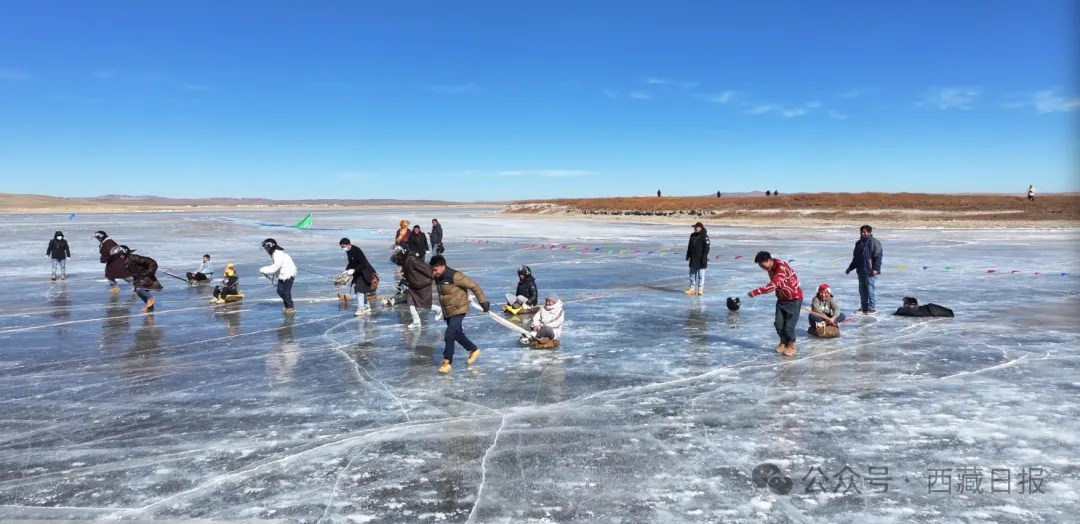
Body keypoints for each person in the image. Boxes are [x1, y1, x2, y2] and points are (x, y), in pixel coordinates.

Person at [431, 255, 489, 373]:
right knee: (457, 334)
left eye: (435, 269)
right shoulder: (437, 276)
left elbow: (474, 286)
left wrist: (483, 302)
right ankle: (473, 350)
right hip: (448, 310)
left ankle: (447, 362)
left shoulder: (455, 276)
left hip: (459, 308)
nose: (434, 272)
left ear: (442, 266)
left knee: (449, 334)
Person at [748, 251, 803, 356]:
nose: (762, 268)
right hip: (782, 299)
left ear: (769, 260)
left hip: (794, 299)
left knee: (789, 327)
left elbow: (774, 285)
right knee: (778, 324)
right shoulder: (770, 268)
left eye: (762, 265)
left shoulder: (781, 268)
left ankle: (791, 345)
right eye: (760, 265)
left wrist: (755, 292)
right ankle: (784, 341)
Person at [391, 245, 437, 328]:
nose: (396, 258)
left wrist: (433, 276)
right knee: (410, 302)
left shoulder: (412, 260)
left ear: (402, 253)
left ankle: (438, 309)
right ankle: (416, 321)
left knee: (424, 305)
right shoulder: (405, 261)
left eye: (397, 255)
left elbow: (425, 268)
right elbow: (408, 274)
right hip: (413, 284)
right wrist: (403, 283)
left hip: (422, 284)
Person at [845, 225, 883, 315]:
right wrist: (850, 268)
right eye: (862, 232)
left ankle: (871, 307)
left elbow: (878, 256)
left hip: (870, 271)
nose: (863, 234)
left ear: (869, 232)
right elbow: (856, 258)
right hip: (861, 270)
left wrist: (875, 268)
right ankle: (864, 306)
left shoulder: (874, 242)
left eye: (865, 232)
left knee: (870, 290)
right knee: (862, 290)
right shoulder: (858, 243)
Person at [113, 245, 163, 312]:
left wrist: (149, 272)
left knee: (140, 289)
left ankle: (150, 298)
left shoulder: (134, 258)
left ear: (125, 252)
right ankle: (149, 307)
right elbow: (134, 272)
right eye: (119, 255)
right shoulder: (126, 260)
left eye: (120, 255)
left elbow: (151, 262)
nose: (120, 257)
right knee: (137, 291)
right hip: (139, 277)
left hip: (146, 276)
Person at [339, 238, 378, 316]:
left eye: (344, 246)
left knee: (360, 291)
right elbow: (351, 263)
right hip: (358, 273)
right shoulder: (348, 251)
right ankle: (366, 307)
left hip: (365, 272)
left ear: (349, 245)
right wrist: (346, 270)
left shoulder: (356, 251)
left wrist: (354, 270)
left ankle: (361, 309)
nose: (343, 248)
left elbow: (363, 263)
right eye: (342, 247)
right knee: (360, 291)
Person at [259, 238, 298, 313]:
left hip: (288, 275)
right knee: (280, 291)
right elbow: (277, 268)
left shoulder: (278, 255)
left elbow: (275, 267)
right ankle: (287, 305)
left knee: (285, 292)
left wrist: (264, 269)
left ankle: (290, 307)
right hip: (282, 275)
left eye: (267, 248)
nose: (266, 250)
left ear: (271, 247)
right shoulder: (275, 254)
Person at [685, 222, 710, 295]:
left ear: (701, 228)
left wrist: (704, 258)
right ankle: (692, 289)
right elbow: (689, 246)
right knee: (692, 275)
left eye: (697, 227)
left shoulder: (705, 236)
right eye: (695, 227)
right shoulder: (692, 235)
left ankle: (700, 289)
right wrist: (688, 255)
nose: (695, 228)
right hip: (693, 258)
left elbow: (706, 249)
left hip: (701, 259)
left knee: (701, 275)